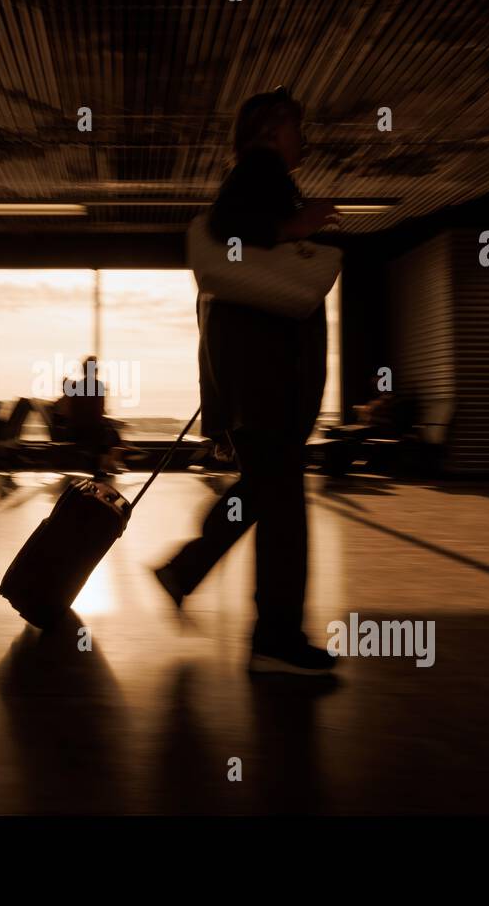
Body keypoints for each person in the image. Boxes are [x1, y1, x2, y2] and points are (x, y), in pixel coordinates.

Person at [154, 87, 342, 676]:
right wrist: (296, 226)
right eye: (295, 127)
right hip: (268, 385)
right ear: (268, 132)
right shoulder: (258, 175)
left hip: (255, 385)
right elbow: (233, 227)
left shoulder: (263, 179)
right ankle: (275, 636)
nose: (302, 137)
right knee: (282, 506)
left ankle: (189, 571)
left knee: (266, 492)